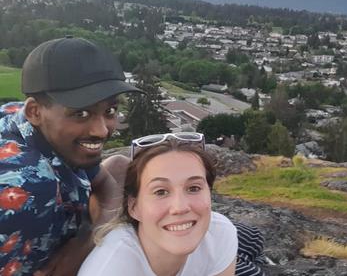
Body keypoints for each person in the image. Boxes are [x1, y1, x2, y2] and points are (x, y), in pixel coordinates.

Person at [0, 36, 141, 275]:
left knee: (121, 165)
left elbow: (107, 182)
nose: (102, 130)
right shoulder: (29, 186)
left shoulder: (23, 117)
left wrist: (86, 241)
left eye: (110, 110)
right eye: (81, 113)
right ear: (35, 111)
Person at [78, 133, 237, 276]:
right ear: (134, 207)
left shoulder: (219, 234)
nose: (180, 207)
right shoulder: (110, 269)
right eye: (161, 192)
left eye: (194, 188)